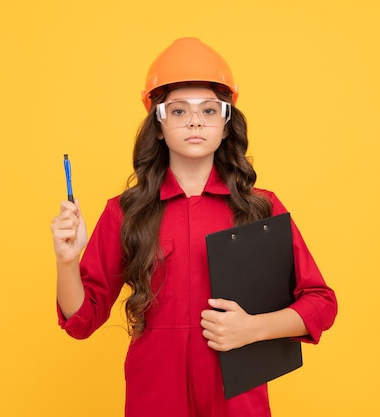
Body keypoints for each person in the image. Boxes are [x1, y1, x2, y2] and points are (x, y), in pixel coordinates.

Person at [51, 37, 337, 417]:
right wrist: (67, 261)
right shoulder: (126, 212)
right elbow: (82, 319)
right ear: (158, 124)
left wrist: (251, 329)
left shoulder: (260, 208)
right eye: (179, 111)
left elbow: (321, 303)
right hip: (155, 394)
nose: (195, 121)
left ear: (225, 123)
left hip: (236, 397)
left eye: (209, 110)